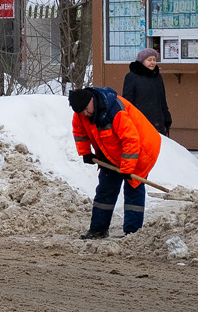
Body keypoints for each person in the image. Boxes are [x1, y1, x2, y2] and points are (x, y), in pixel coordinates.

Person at [68, 86, 163, 239]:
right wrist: (85, 152)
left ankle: (132, 233)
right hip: (111, 153)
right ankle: (98, 230)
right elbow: (79, 131)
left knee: (133, 189)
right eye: (81, 112)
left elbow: (131, 140)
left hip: (141, 149)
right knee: (106, 189)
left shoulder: (115, 111)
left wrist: (127, 167)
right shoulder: (80, 114)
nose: (86, 114)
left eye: (86, 109)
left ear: (92, 100)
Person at [122, 48, 172, 137]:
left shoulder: (157, 76)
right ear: (142, 61)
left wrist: (166, 115)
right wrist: (128, 118)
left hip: (158, 120)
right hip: (140, 119)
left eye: (154, 60)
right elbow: (127, 101)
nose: (152, 63)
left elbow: (162, 99)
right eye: (149, 60)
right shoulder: (132, 76)